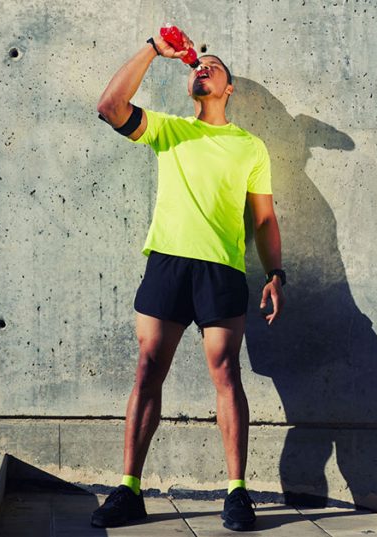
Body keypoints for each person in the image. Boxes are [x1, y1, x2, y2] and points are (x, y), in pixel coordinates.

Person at [90, 28, 285, 531]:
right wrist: (155, 50)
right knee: (148, 368)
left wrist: (275, 273)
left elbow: (263, 220)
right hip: (168, 264)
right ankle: (129, 490)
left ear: (229, 88)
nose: (203, 69)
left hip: (221, 270)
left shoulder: (250, 147)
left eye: (213, 68)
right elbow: (110, 106)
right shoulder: (171, 130)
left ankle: (237, 493)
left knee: (225, 373)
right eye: (200, 66)